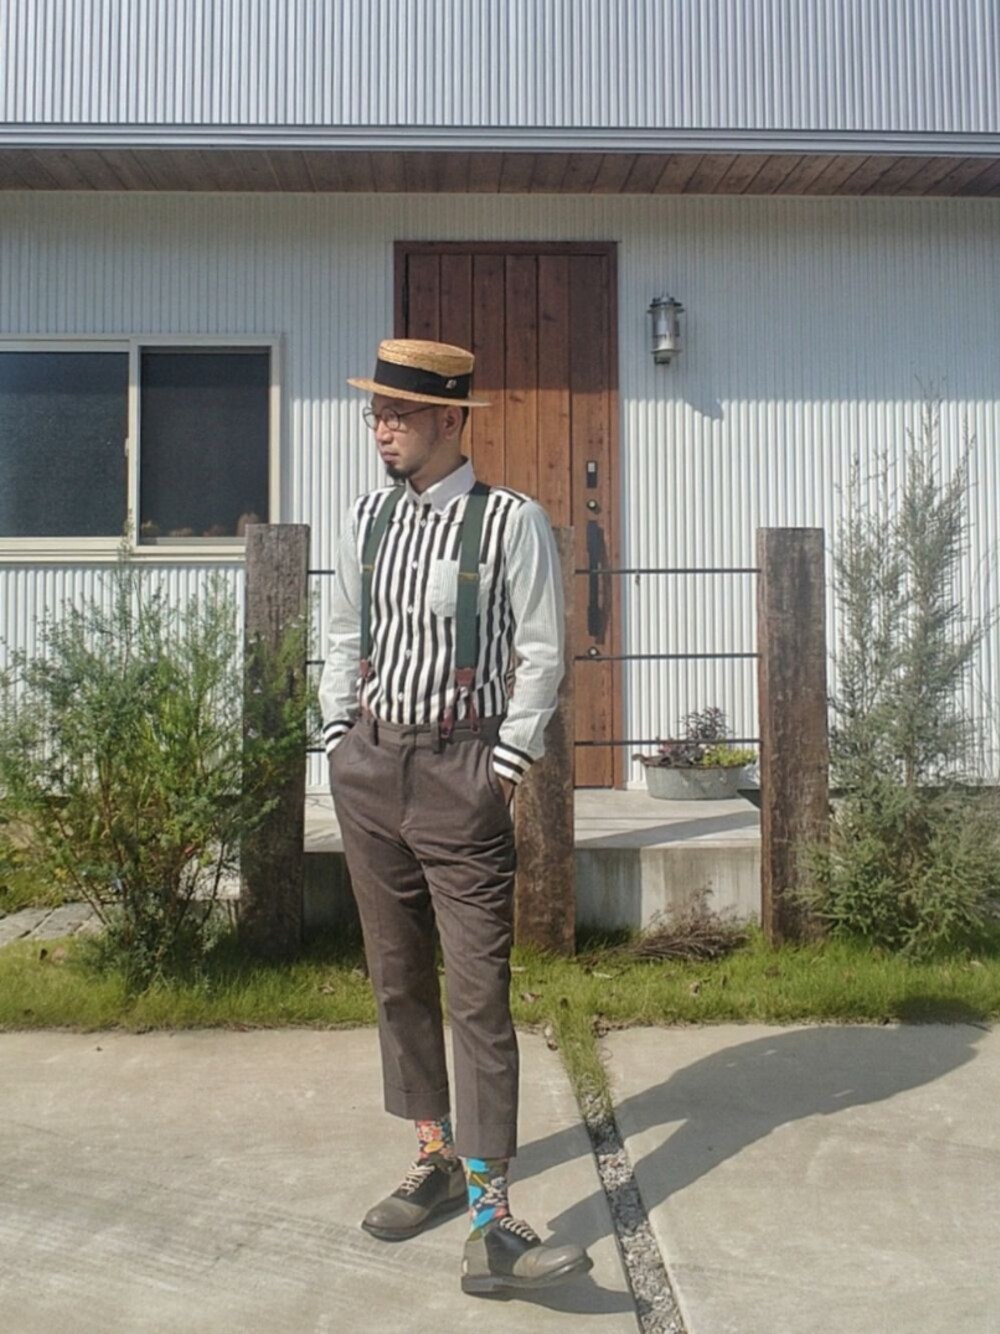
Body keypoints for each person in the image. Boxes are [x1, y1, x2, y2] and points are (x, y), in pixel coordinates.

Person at [319, 338, 591, 1295]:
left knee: (478, 994)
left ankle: (492, 1219)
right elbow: (342, 634)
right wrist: (337, 739)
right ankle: (433, 1157)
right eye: (375, 413)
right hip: (371, 766)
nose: (381, 429)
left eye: (398, 414)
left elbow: (544, 654)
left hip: (461, 770)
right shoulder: (365, 520)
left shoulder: (510, 522)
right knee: (396, 977)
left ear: (449, 420)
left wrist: (503, 769)